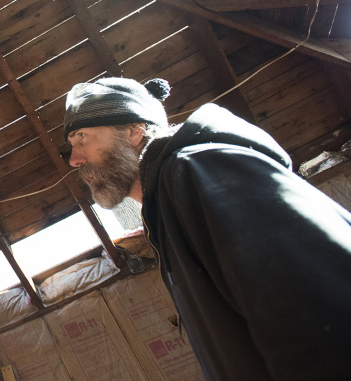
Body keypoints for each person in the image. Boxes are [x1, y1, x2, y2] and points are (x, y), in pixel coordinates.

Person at [63, 77, 351, 380]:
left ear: (134, 131)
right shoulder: (167, 206)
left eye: (82, 137)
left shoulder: (196, 170)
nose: (74, 160)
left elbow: (321, 308)